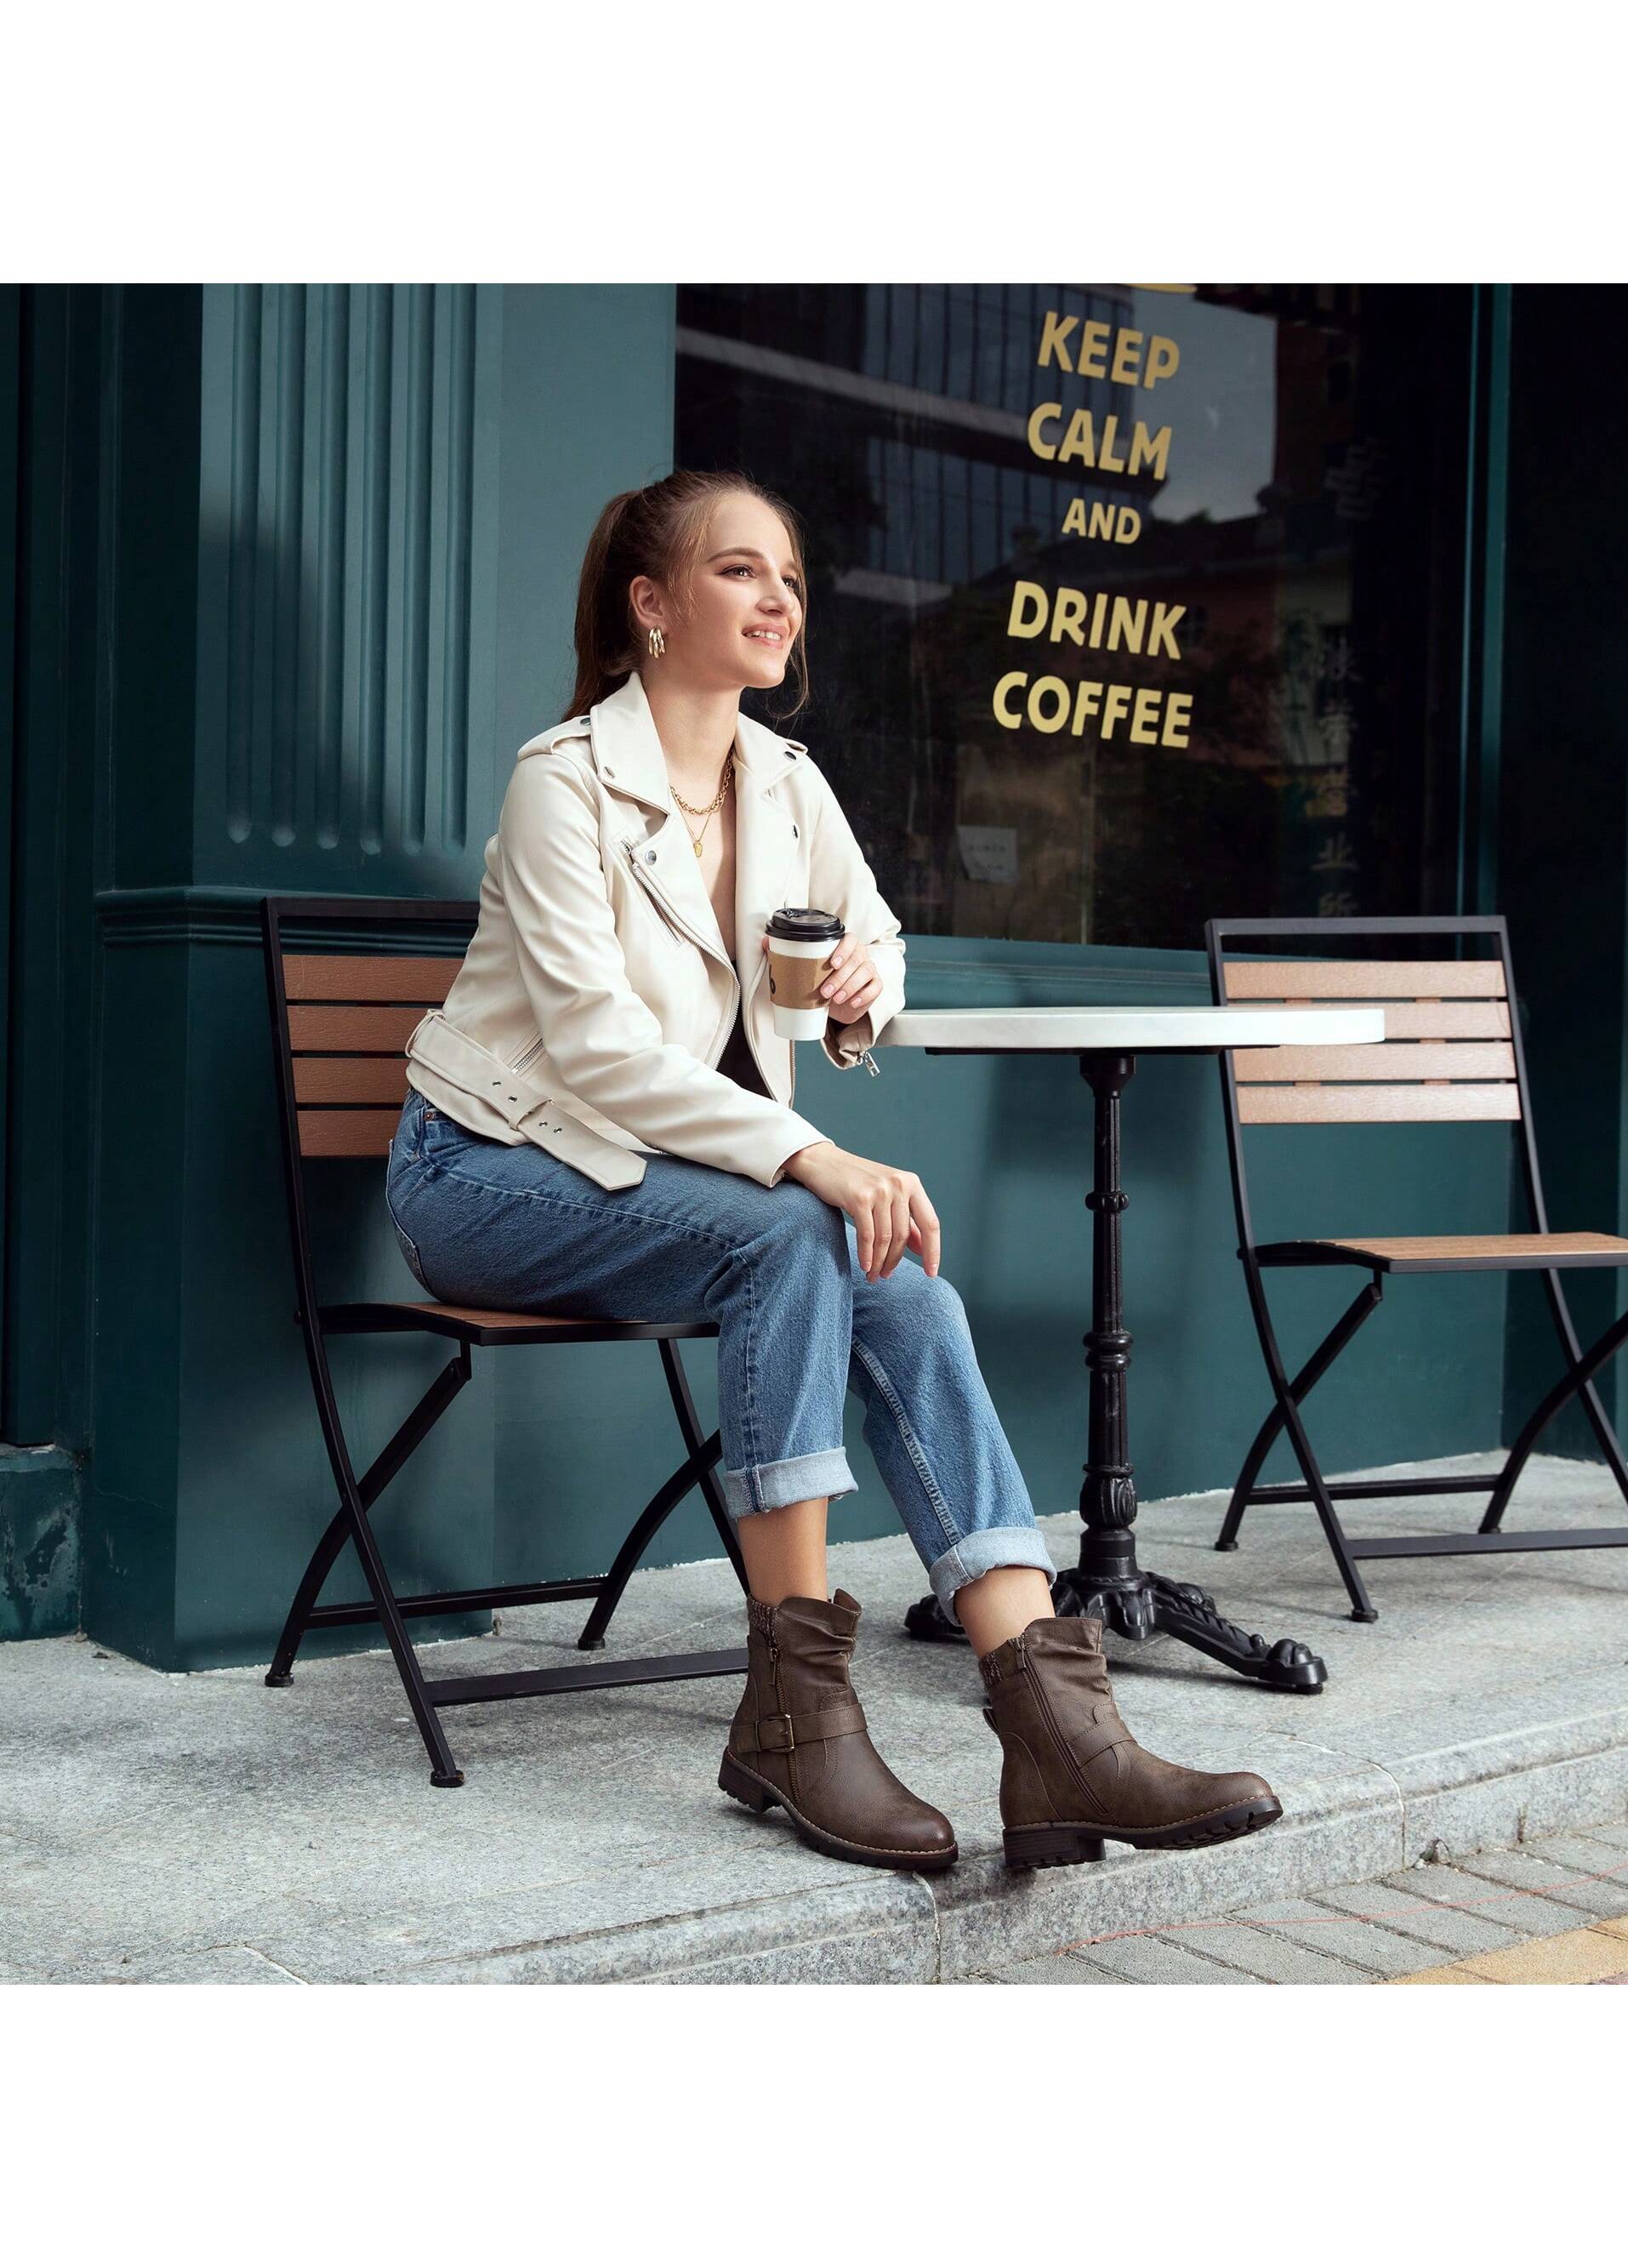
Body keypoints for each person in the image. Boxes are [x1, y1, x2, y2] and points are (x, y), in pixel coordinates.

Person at [386, 470, 1281, 1874]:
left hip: (662, 1179)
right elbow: (600, 1054)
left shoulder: (786, 782)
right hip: (489, 1171)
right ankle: (798, 1714)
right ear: (652, 605)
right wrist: (812, 1151)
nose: (780, 600)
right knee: (799, 1235)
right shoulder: (563, 782)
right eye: (743, 572)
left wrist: (870, 980)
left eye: (791, 578)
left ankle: (1058, 1731)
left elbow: (873, 940)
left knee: (905, 1289)